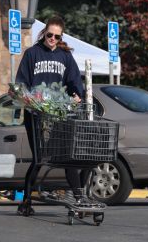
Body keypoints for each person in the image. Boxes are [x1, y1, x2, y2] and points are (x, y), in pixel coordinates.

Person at [15, 16, 91, 215]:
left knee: (67, 157)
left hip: (59, 115)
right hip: (36, 115)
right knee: (39, 159)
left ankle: (79, 201)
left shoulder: (65, 57)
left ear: (60, 37)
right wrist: (28, 98)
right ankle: (26, 202)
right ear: (44, 33)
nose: (53, 39)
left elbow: (75, 81)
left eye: (57, 36)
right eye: (50, 35)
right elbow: (21, 82)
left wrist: (77, 96)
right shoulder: (32, 54)